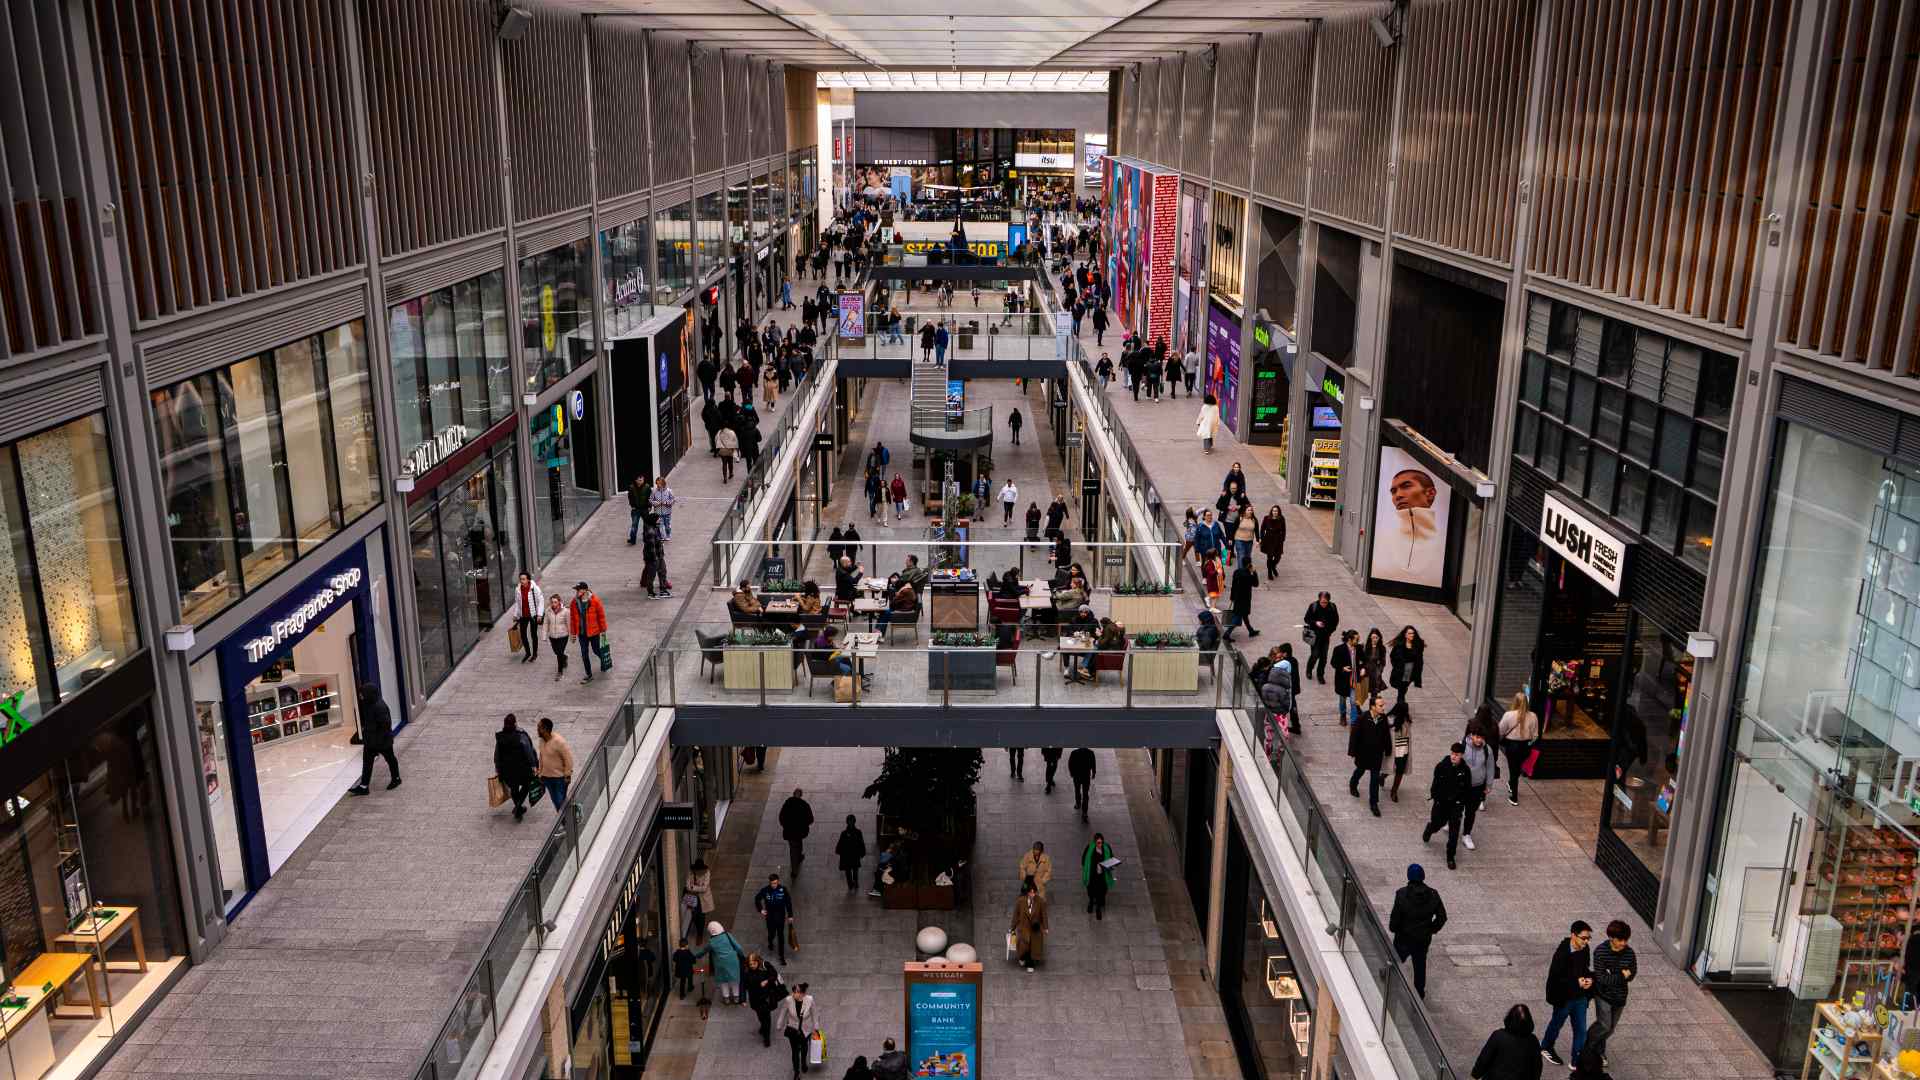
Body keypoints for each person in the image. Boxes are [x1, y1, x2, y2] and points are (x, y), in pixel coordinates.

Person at [1377, 465, 1446, 586]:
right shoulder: (1380, 541)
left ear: (1430, 493)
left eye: (1406, 486)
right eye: (1393, 491)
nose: (1398, 495)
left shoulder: (1446, 543)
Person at [1388, 863, 1447, 999]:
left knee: (1396, 958)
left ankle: (1388, 974)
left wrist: (1394, 928)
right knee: (1420, 965)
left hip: (1404, 937)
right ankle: (1419, 992)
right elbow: (1442, 917)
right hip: (1422, 938)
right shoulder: (1433, 894)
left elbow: (1396, 916)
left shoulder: (1402, 894)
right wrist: (1431, 929)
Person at [1542, 921, 1595, 1067]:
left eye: (1588, 938)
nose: (1586, 941)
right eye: (1583, 938)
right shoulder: (1561, 954)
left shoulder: (1585, 949)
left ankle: (1576, 1061)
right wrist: (1576, 982)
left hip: (1580, 997)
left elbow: (1585, 969)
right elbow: (1557, 979)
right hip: (1564, 998)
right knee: (1557, 1023)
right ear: (1573, 935)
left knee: (1581, 1030)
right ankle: (1546, 1046)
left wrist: (1590, 979)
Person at [1586, 921, 1636, 1064]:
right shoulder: (1601, 952)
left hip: (1620, 996)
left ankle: (1598, 1050)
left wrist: (1616, 974)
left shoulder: (1629, 952)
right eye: (1620, 940)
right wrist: (1621, 975)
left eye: (1626, 940)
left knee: (1610, 1029)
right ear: (1611, 938)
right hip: (1603, 995)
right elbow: (1602, 979)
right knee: (1604, 1025)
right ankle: (1587, 1047)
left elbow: (1632, 973)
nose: (1624, 943)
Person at [1422, 742, 1474, 869]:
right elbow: (1435, 785)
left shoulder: (1465, 771)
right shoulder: (1441, 766)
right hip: (1441, 804)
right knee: (1437, 824)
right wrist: (1436, 797)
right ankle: (1430, 829)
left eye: (1456, 755)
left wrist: (1462, 803)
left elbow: (1467, 789)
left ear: (1461, 755)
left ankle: (1450, 857)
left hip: (1455, 806)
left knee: (1454, 833)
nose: (1453, 756)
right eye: (1452, 753)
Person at [346, 684, 398, 795]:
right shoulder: (368, 704)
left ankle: (396, 779)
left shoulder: (380, 706)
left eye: (362, 694)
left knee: (390, 759)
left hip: (382, 741)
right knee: (367, 763)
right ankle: (364, 786)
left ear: (368, 694)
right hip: (371, 741)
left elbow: (385, 725)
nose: (360, 696)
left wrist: (378, 740)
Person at [1472, 1005, 1543, 1080]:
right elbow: (1537, 1066)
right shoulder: (1533, 1041)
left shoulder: (1498, 1036)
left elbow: (1484, 1059)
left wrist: (1476, 1074)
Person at [1348, 696, 1392, 815]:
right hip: (1364, 754)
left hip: (1377, 755)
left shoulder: (1383, 718)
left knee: (1374, 779)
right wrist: (1352, 751)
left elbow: (1386, 735)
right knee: (1360, 771)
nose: (1383, 707)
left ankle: (1374, 803)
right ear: (1373, 707)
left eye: (1383, 705)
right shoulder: (1362, 718)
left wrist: (1388, 749)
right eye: (1380, 705)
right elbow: (1354, 736)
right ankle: (1353, 784)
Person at [493, 713, 539, 821]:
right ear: (515, 723)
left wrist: (497, 768)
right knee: (527, 785)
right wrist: (534, 765)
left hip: (507, 770)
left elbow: (497, 754)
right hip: (522, 768)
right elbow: (529, 751)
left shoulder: (500, 737)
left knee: (513, 788)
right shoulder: (521, 735)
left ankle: (518, 808)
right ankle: (518, 807)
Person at [1498, 691, 1540, 805]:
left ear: (1515, 702)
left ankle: (1514, 797)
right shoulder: (1533, 716)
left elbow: (1500, 731)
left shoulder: (1508, 715)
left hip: (1511, 747)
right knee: (1516, 769)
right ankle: (1511, 783)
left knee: (1513, 770)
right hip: (1525, 747)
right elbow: (1536, 736)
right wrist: (1529, 743)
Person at [773, 981, 819, 1077]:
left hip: (805, 1029)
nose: (794, 994)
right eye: (793, 991)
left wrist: (816, 1028)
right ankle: (796, 1072)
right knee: (794, 1052)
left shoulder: (809, 1000)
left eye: (797, 992)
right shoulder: (788, 1000)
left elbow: (815, 1014)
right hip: (793, 1029)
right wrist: (779, 1024)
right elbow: (783, 1012)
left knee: (804, 1047)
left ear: (803, 993)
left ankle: (803, 1062)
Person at [693, 921, 745, 1006]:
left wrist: (696, 956)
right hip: (732, 961)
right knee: (734, 980)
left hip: (720, 964)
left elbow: (703, 951)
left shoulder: (712, 942)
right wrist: (742, 956)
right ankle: (736, 997)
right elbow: (738, 948)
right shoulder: (728, 935)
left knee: (723, 981)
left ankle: (726, 998)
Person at [1461, 725, 1495, 851]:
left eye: (1482, 738)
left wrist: (1489, 785)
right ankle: (1450, 822)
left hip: (1477, 786)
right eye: (1477, 737)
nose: (1479, 740)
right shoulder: (1463, 746)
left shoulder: (1487, 749)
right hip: (1462, 785)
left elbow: (1490, 767)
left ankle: (1466, 834)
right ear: (1471, 735)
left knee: (1471, 812)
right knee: (1457, 808)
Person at [755, 872, 797, 964]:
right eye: (772, 883)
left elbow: (788, 903)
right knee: (771, 934)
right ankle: (770, 942)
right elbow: (757, 898)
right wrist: (761, 909)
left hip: (780, 917)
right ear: (769, 882)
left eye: (775, 883)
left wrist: (790, 915)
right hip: (770, 917)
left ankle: (781, 956)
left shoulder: (783, 889)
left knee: (781, 936)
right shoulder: (765, 890)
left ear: (778, 882)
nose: (774, 885)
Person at [744, 951, 783, 1046]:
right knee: (760, 1016)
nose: (752, 966)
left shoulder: (765, 966)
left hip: (766, 997)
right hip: (755, 998)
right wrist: (743, 999)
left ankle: (767, 1037)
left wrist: (767, 981)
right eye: (750, 964)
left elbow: (774, 975)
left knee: (766, 1017)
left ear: (758, 961)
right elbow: (744, 985)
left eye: (754, 963)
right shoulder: (747, 971)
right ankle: (763, 1027)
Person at [1010, 877, 1049, 973]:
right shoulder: (1020, 901)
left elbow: (1044, 914)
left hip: (1035, 928)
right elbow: (1016, 914)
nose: (1033, 894)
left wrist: (1045, 927)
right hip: (1024, 927)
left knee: (1033, 946)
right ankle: (1022, 957)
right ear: (1027, 892)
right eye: (1031, 892)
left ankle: (1030, 963)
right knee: (1024, 945)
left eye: (1034, 892)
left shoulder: (1040, 901)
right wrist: (1013, 927)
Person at [535, 716, 573, 811]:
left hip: (559, 778)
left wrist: (567, 775)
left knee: (560, 802)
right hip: (546, 778)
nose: (537, 730)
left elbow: (568, 759)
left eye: (539, 727)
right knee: (556, 801)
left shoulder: (559, 742)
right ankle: (565, 820)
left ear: (545, 729)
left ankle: (566, 820)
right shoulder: (542, 741)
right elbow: (542, 756)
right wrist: (540, 772)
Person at [1303, 592, 1340, 682]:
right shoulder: (1313, 606)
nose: (1323, 604)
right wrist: (1316, 623)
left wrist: (1331, 631)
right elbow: (1306, 619)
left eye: (1325, 602)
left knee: (1324, 657)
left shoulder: (1332, 607)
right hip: (1315, 636)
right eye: (1322, 602)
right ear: (1319, 600)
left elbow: (1336, 620)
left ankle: (1320, 675)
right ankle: (1309, 670)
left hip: (1326, 636)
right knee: (1315, 655)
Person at [1223, 559, 1261, 641]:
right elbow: (1256, 584)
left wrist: (1232, 597)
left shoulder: (1236, 572)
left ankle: (1251, 631)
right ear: (1249, 565)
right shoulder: (1248, 575)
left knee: (1244, 615)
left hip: (1237, 597)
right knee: (1238, 616)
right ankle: (1227, 633)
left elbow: (1233, 585)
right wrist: (1254, 572)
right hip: (1245, 599)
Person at [780, 788, 814, 874]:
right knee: (798, 844)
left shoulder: (788, 803)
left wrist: (785, 825)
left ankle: (795, 865)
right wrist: (803, 825)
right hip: (799, 832)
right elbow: (810, 819)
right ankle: (796, 863)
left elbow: (781, 816)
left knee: (792, 849)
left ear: (793, 794)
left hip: (790, 831)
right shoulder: (804, 805)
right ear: (801, 795)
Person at [1081, 833, 1116, 919]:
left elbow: (1111, 858)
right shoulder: (1089, 848)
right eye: (1098, 843)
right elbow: (1083, 859)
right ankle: (1091, 902)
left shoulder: (1107, 848)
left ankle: (1098, 908)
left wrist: (1111, 865)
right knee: (1091, 889)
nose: (1100, 845)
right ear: (1095, 842)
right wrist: (1086, 868)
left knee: (1102, 890)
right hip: (1092, 874)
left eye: (1101, 842)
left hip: (1102, 875)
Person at [511, 572, 544, 663]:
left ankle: (535, 654)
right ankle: (528, 652)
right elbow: (517, 603)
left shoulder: (535, 588)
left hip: (533, 615)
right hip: (523, 615)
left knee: (533, 634)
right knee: (523, 634)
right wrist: (515, 615)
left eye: (524, 579)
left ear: (528, 579)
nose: (522, 581)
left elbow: (541, 601)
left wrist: (540, 614)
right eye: (520, 579)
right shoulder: (518, 589)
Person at [1390, 625, 1426, 702]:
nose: (1412, 635)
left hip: (1410, 670)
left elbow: (1420, 660)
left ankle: (1400, 707)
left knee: (1402, 689)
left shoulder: (1417, 645)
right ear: (1405, 635)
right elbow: (1392, 656)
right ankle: (1400, 707)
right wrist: (1396, 666)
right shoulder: (1399, 645)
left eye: (1413, 633)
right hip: (1400, 670)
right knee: (1402, 690)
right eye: (1409, 633)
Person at [640, 512, 671, 599]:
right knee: (652, 575)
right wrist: (655, 559)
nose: (660, 520)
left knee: (663, 572)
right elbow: (651, 548)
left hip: (659, 555)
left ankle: (663, 590)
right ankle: (651, 593)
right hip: (653, 557)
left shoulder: (655, 528)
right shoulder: (650, 532)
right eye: (658, 519)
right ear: (654, 520)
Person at [1331, 630, 1359, 726]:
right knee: (1342, 700)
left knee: (1353, 701)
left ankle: (1354, 720)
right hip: (1342, 680)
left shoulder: (1358, 648)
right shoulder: (1338, 649)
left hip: (1354, 679)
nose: (1358, 641)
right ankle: (1343, 715)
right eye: (1356, 639)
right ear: (1350, 639)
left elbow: (1364, 660)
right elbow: (1333, 663)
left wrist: (1363, 668)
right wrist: (1342, 668)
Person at [1388, 699, 1414, 801]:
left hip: (1403, 748)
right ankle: (1383, 776)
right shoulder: (1390, 719)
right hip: (1393, 747)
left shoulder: (1407, 718)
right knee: (1389, 766)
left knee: (1400, 770)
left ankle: (1394, 790)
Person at [835, 814, 866, 893]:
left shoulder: (858, 832)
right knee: (848, 871)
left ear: (854, 822)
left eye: (852, 821)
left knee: (855, 870)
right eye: (849, 821)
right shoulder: (844, 833)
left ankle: (855, 882)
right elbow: (840, 843)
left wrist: (862, 852)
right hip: (847, 855)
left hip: (854, 855)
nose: (850, 823)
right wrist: (839, 850)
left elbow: (861, 843)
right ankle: (850, 884)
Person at [683, 859, 715, 934]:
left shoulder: (707, 872)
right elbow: (687, 886)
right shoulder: (691, 872)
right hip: (693, 897)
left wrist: (693, 887)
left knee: (701, 915)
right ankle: (698, 929)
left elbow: (704, 888)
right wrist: (697, 888)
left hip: (703, 898)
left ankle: (700, 933)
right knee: (694, 915)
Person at [545, 593, 572, 680]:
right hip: (552, 636)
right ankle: (565, 657)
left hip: (563, 635)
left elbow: (569, 624)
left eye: (555, 602)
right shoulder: (548, 611)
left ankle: (560, 672)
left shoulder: (566, 611)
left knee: (559, 653)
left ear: (559, 602)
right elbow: (546, 623)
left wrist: (571, 635)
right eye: (552, 602)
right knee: (557, 652)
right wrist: (544, 635)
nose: (553, 604)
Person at [1068, 747, 1096, 822]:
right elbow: (1093, 763)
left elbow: (1070, 763)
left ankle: (1078, 803)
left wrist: (1071, 773)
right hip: (1086, 776)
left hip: (1077, 776)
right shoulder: (1090, 752)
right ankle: (1084, 812)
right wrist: (1093, 772)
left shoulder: (1074, 752)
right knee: (1085, 794)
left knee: (1077, 790)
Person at [1259, 505, 1287, 579]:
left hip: (1278, 540)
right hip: (1269, 539)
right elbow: (1262, 529)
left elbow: (1284, 530)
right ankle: (1269, 572)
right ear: (1271, 511)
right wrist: (1261, 538)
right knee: (1270, 557)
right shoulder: (1266, 518)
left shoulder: (1281, 519)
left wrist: (1283, 539)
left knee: (1278, 557)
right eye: (1274, 511)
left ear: (1279, 512)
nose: (1275, 512)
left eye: (1276, 511)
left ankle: (1273, 567)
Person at [649, 476, 677, 540]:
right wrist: (656, 503)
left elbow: (673, 500)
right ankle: (662, 536)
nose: (658, 485)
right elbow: (650, 500)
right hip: (658, 512)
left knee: (667, 525)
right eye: (657, 483)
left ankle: (668, 535)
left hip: (667, 512)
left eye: (660, 483)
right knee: (660, 526)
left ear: (663, 483)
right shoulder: (654, 491)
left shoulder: (669, 491)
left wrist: (667, 503)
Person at [627, 476, 649, 545]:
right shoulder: (631, 487)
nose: (641, 481)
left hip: (645, 509)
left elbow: (649, 497)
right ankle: (632, 539)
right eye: (639, 480)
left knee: (646, 524)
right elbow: (630, 497)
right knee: (634, 524)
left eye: (642, 480)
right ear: (636, 480)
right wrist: (632, 506)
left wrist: (649, 506)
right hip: (635, 509)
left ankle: (646, 537)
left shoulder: (647, 487)